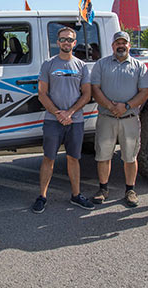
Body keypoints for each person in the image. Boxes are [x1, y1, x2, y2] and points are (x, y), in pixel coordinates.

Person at [32, 26, 94, 213]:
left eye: (70, 39)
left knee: (73, 158)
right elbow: (41, 93)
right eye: (63, 39)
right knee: (48, 158)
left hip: (75, 121)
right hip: (53, 120)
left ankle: (76, 195)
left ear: (75, 43)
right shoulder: (48, 65)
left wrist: (70, 113)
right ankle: (42, 196)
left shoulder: (81, 66)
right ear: (57, 42)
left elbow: (86, 94)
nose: (66, 42)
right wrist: (59, 113)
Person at [90, 31, 148, 206]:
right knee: (103, 155)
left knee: (130, 157)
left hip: (130, 118)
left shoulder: (140, 66)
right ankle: (103, 189)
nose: (121, 46)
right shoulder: (101, 64)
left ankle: (130, 190)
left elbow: (145, 91)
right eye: (117, 42)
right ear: (112, 46)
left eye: (124, 43)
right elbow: (95, 88)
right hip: (106, 117)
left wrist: (126, 106)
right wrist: (111, 106)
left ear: (129, 45)